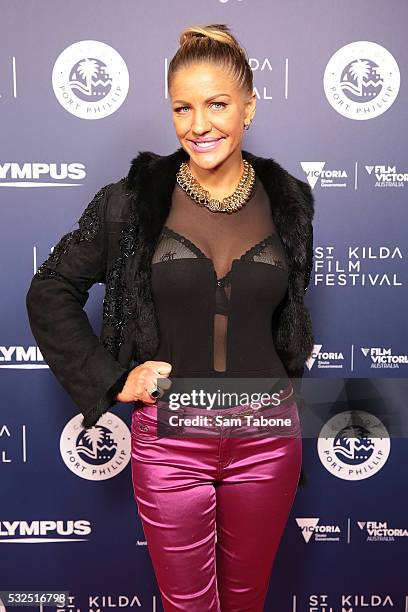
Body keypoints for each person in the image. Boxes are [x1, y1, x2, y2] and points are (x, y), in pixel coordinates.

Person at [26, 23, 315, 612]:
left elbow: (290, 320)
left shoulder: (290, 200)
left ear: (249, 106)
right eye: (183, 108)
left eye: (217, 104)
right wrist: (113, 379)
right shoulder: (131, 200)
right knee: (186, 605)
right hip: (172, 441)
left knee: (247, 600)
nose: (199, 124)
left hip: (266, 437)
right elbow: (50, 288)